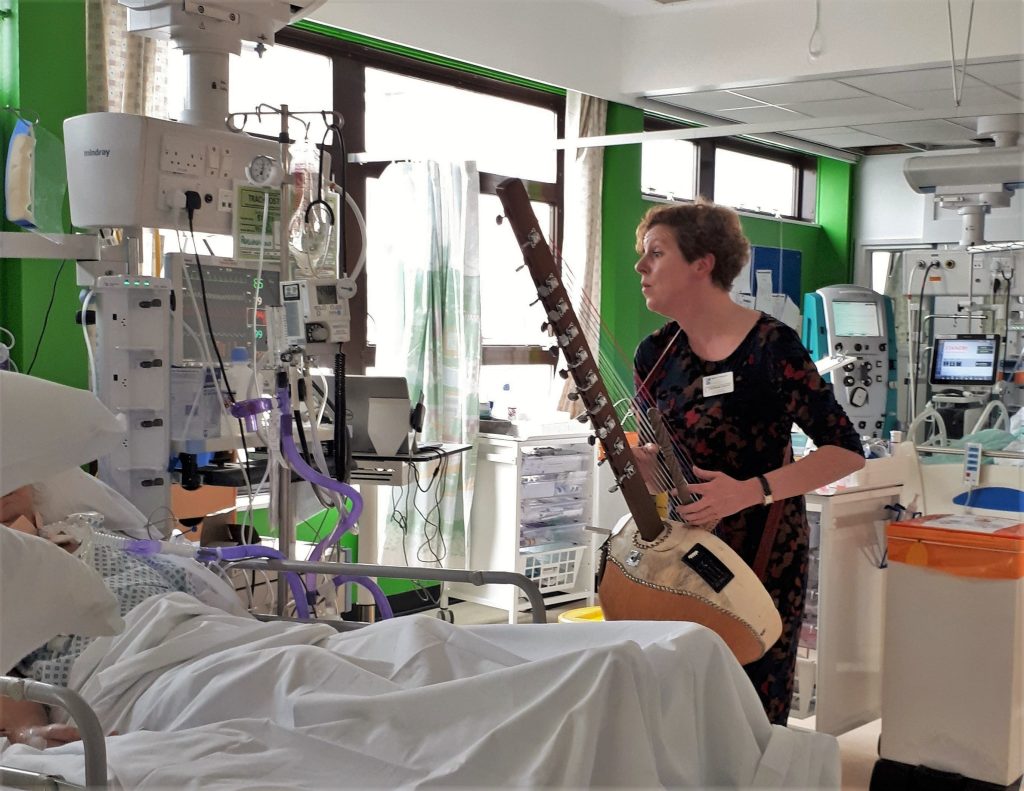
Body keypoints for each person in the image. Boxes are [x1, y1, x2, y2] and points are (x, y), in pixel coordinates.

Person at [631, 198, 864, 724]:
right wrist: (642, 467)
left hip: (764, 551)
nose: (641, 267)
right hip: (684, 549)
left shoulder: (772, 346)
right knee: (681, 693)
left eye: (655, 253)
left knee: (751, 699)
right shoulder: (655, 353)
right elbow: (657, 454)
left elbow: (846, 450)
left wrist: (748, 490)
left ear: (702, 263)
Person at [0, 484, 193, 748]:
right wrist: (28, 730)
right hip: (123, 672)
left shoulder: (94, 534)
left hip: (197, 632)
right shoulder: (8, 572)